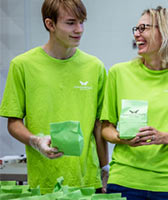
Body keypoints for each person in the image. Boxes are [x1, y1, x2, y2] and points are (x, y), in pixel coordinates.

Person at [0, 0, 108, 194]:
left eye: (82, 22)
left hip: (87, 181)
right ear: (50, 24)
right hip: (44, 182)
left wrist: (105, 169)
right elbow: (13, 123)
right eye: (71, 23)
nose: (79, 29)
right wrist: (36, 141)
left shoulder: (95, 67)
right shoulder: (22, 65)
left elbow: (99, 125)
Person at [100, 6, 168, 200]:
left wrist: (162, 137)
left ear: (165, 31)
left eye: (143, 28)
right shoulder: (119, 73)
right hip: (125, 180)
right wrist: (121, 138)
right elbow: (106, 128)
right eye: (135, 29)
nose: (137, 34)